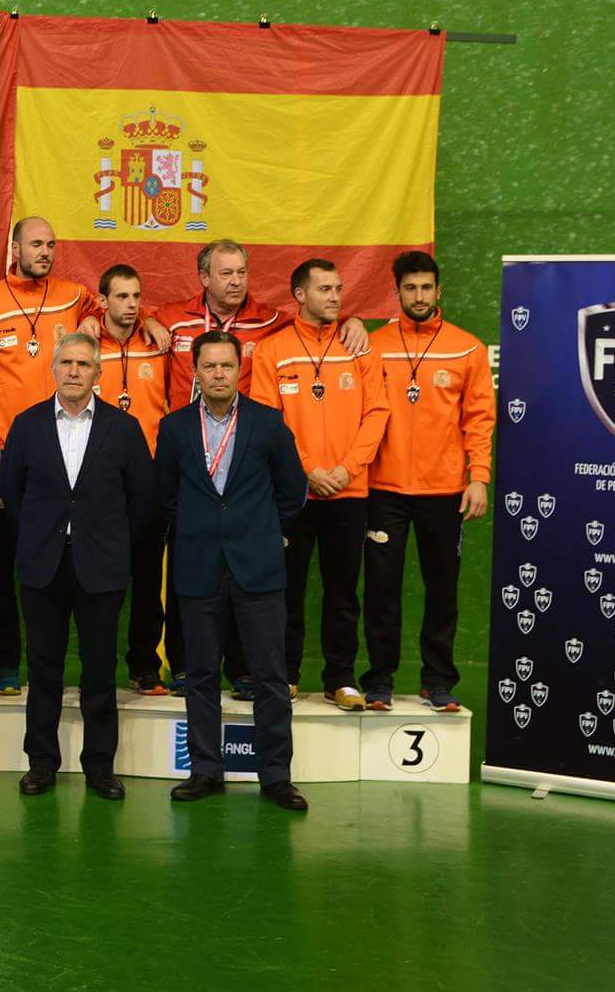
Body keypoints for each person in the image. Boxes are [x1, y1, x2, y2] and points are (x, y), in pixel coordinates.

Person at [157, 331, 309, 812]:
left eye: (227, 366)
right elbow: (166, 495)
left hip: (258, 567)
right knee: (201, 674)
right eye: (210, 367)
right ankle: (205, 770)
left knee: (269, 675)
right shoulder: (175, 427)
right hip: (198, 566)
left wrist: (261, 530)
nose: (219, 374)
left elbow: (293, 491)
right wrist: (199, 531)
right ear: (195, 372)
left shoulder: (268, 423)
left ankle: (276, 776)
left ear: (239, 369)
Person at [0, 333, 154, 800]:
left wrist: (109, 541)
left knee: (100, 669)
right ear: (52, 369)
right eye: (65, 362)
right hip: (43, 565)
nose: (73, 371)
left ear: (98, 373)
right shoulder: (27, 426)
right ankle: (41, 764)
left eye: (83, 364)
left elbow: (142, 502)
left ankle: (100, 768)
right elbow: (14, 493)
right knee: (43, 667)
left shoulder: (124, 429)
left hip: (101, 567)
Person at [0, 216, 103, 695]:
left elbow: (115, 309)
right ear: (14, 246)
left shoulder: (73, 294)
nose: (44, 252)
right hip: (7, 455)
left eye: (50, 244)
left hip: (65, 452)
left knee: (62, 567)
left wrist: (107, 317)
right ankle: (7, 662)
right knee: (1, 566)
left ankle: (74, 671)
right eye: (36, 244)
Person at [249, 259, 388, 711]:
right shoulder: (273, 351)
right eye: (324, 288)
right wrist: (307, 470)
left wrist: (348, 468)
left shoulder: (359, 348)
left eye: (338, 288)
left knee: (343, 590)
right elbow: (269, 422)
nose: (335, 296)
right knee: (286, 587)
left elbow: (377, 413)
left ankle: (340, 678)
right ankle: (285, 673)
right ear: (299, 295)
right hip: (294, 492)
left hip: (349, 491)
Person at [362, 251, 493, 713]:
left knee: (442, 589)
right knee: (380, 589)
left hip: (444, 492)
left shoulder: (467, 349)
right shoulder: (374, 347)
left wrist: (478, 477)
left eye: (426, 287)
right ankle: (379, 679)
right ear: (396, 292)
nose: (419, 296)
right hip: (384, 489)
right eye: (410, 288)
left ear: (439, 291)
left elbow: (479, 418)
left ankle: (437, 680)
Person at [143, 238, 371, 406]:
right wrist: (148, 322)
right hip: (186, 433)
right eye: (227, 274)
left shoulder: (269, 320)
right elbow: (126, 315)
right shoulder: (173, 317)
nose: (236, 281)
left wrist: (352, 320)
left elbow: (312, 318)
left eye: (242, 273)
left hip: (242, 435)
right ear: (204, 278)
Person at [94, 264, 175, 695]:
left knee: (148, 583)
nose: (130, 305)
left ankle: (145, 666)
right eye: (121, 297)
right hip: (102, 487)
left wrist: (152, 319)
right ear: (102, 301)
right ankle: (100, 667)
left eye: (136, 297)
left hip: (150, 484)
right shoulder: (86, 344)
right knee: (102, 587)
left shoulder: (157, 344)